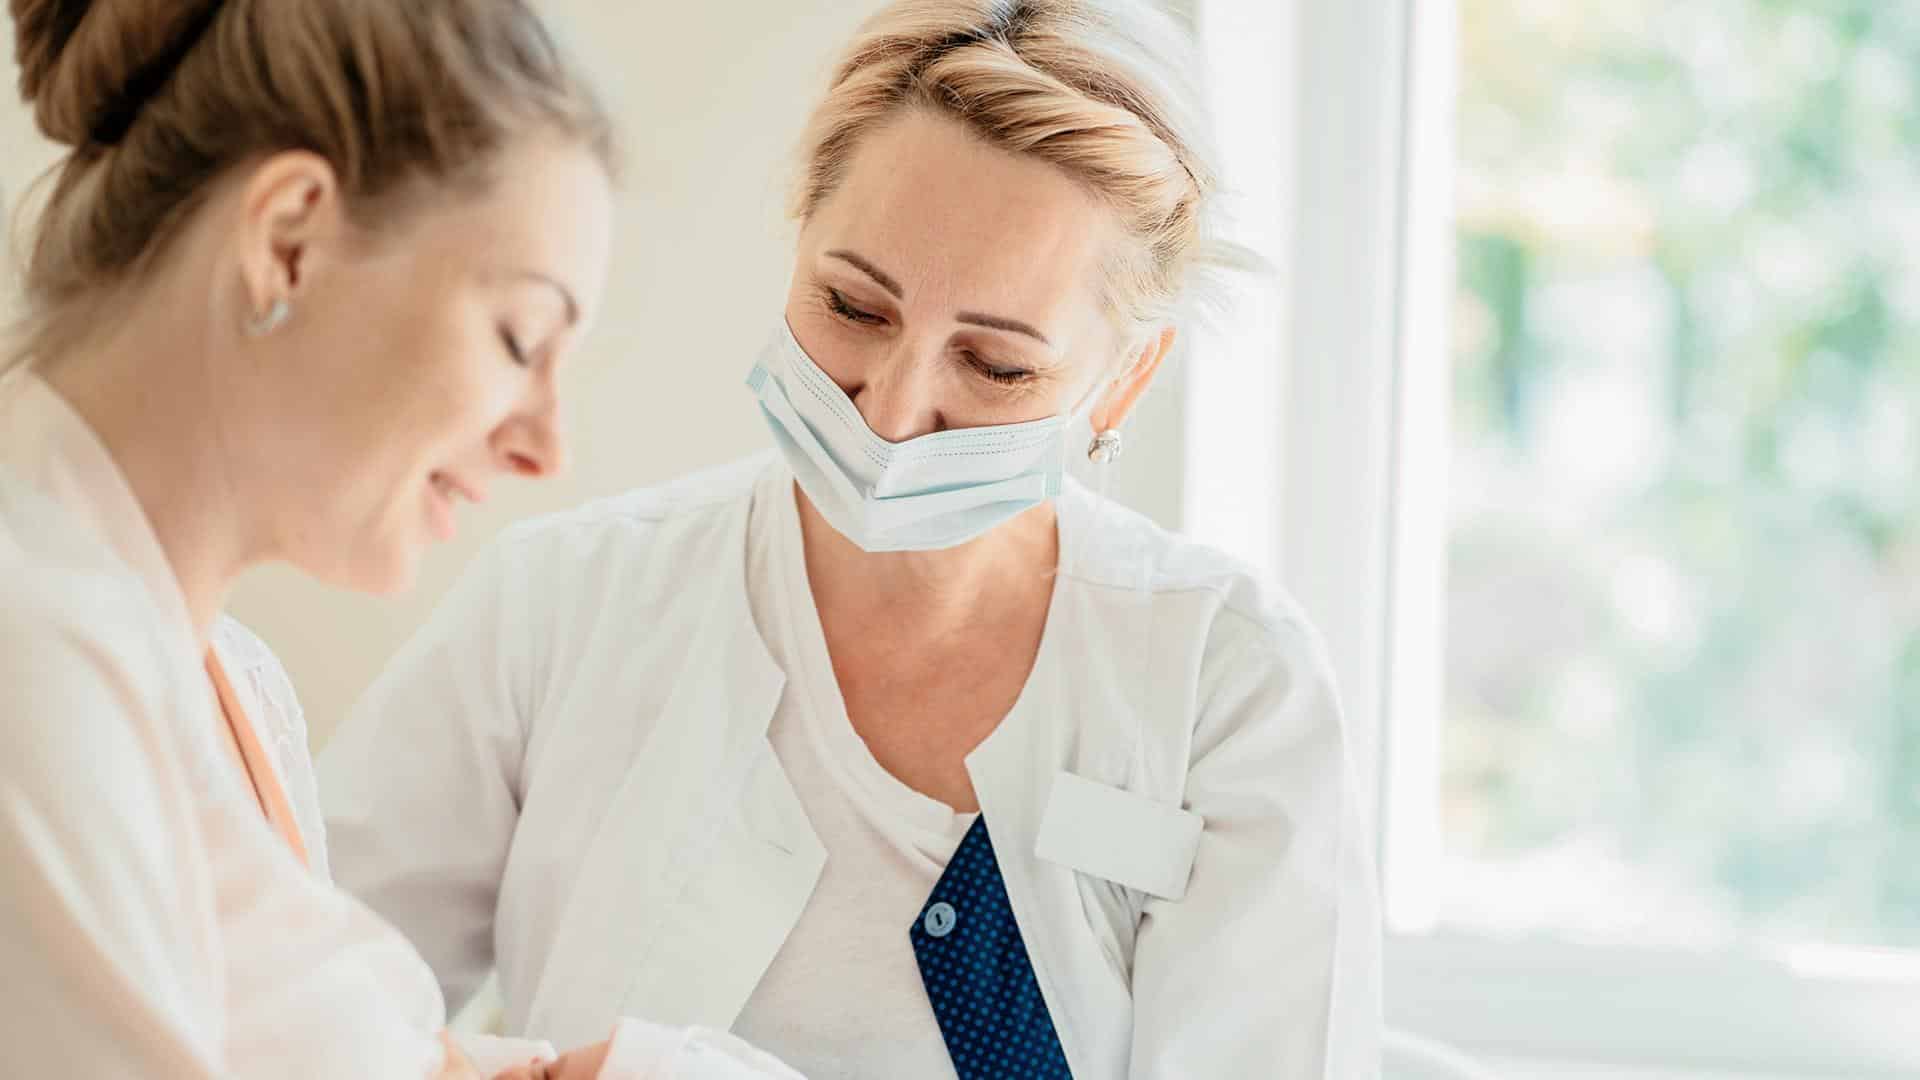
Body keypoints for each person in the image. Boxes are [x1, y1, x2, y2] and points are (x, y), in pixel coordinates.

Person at [323, 0, 1382, 1076]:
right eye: (854, 306)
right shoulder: (566, 604)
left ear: (1124, 382)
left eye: (998, 366)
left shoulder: (1228, 686)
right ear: (799, 241)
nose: (890, 410)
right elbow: (288, 995)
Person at [0, 1, 795, 1076]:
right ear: (288, 241)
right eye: (521, 337)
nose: (546, 447)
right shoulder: (33, 658)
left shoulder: (234, 687)